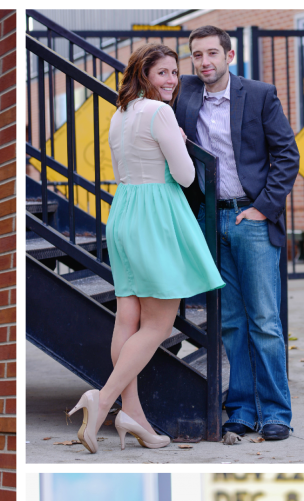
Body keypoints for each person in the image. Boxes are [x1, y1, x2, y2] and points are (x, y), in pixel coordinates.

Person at [67, 43, 224, 455]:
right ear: (144, 74)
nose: (172, 80)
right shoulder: (159, 112)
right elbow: (187, 175)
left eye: (175, 72)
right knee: (157, 325)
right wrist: (181, 140)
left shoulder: (120, 115)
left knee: (128, 317)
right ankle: (101, 401)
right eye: (163, 73)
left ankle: (131, 412)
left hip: (124, 212)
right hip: (155, 214)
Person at [178, 25, 300, 441]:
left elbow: (287, 154)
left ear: (230, 57)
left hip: (251, 218)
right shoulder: (187, 94)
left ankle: (276, 412)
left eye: (212, 53)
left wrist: (263, 209)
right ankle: (242, 409)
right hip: (211, 220)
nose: (205, 61)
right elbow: (150, 85)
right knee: (230, 322)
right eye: (197, 55)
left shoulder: (260, 95)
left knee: (264, 320)